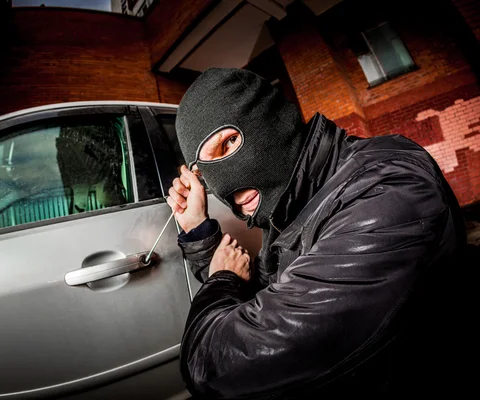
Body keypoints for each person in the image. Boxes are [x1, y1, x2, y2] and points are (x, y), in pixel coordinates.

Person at [167, 68, 467, 398]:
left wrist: (221, 278)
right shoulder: (289, 213)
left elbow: (217, 368)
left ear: (271, 121)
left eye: (229, 143)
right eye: (203, 169)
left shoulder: (386, 187)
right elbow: (270, 303)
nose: (223, 182)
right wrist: (197, 231)